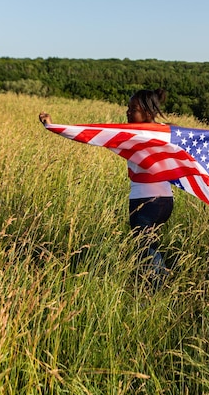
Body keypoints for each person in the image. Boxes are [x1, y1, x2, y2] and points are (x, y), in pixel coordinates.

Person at [38, 88, 173, 285]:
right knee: (149, 244)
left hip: (145, 200)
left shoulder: (131, 134)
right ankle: (153, 283)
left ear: (147, 112)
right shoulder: (167, 131)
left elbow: (89, 134)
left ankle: (154, 289)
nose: (127, 112)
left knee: (144, 246)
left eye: (133, 109)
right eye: (128, 107)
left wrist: (53, 127)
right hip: (165, 201)